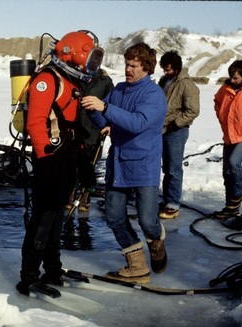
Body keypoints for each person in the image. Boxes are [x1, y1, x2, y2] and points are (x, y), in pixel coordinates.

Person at [16, 30, 105, 295]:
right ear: (71, 54)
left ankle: (52, 269)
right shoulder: (47, 79)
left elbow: (72, 128)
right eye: (87, 58)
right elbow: (35, 123)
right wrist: (45, 160)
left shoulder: (72, 82)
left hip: (66, 159)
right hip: (50, 161)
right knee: (42, 220)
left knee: (56, 220)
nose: (88, 65)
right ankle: (28, 276)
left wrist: (83, 163)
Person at [81, 42, 168, 284]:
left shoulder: (154, 95)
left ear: (147, 68)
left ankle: (156, 239)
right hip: (118, 163)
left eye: (134, 66)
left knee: (148, 220)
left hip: (143, 164)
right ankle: (137, 266)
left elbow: (137, 122)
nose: (128, 69)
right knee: (115, 217)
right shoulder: (118, 90)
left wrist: (105, 107)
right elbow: (102, 116)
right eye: (127, 64)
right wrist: (90, 107)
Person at [157, 50, 200, 219]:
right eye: (164, 69)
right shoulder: (164, 81)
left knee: (174, 168)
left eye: (168, 69)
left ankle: (173, 202)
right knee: (166, 167)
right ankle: (168, 199)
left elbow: (193, 110)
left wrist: (176, 124)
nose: (165, 72)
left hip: (176, 131)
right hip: (162, 129)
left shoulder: (187, 85)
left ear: (176, 68)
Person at [66, 69, 114, 213]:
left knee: (90, 163)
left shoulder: (105, 81)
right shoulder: (75, 76)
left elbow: (111, 105)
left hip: (94, 129)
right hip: (76, 128)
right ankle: (72, 191)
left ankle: (85, 194)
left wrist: (107, 124)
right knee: (73, 162)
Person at [213, 59, 242, 218]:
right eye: (231, 77)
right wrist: (221, 116)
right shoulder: (225, 88)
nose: (233, 80)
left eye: (236, 78)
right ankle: (230, 207)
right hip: (230, 133)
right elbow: (217, 101)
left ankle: (237, 196)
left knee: (234, 162)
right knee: (227, 171)